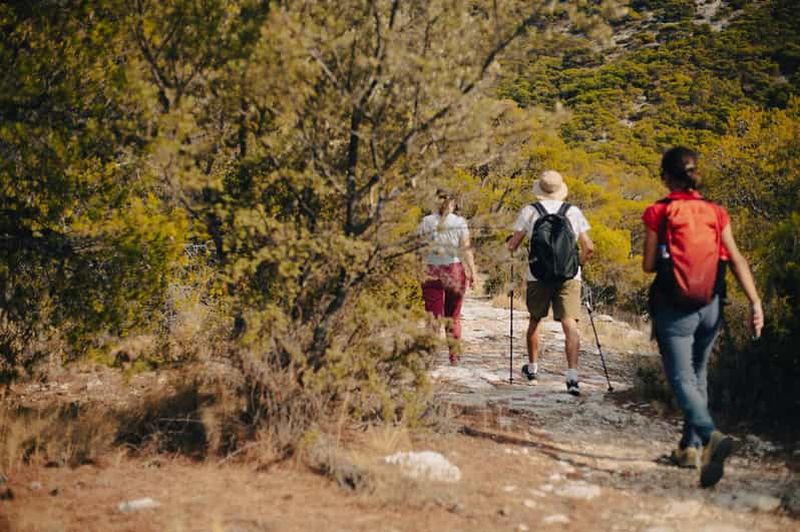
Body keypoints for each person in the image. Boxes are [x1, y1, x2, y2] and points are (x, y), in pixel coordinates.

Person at [642, 146, 764, 488]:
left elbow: (649, 265)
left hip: (673, 305)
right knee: (698, 374)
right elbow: (736, 258)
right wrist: (755, 301)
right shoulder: (716, 212)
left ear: (666, 177)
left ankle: (710, 438)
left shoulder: (659, 211)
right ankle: (689, 449)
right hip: (711, 305)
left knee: (681, 378)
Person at [507, 170, 594, 395]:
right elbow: (589, 247)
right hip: (569, 276)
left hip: (538, 275)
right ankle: (572, 376)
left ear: (540, 190)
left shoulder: (530, 210)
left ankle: (533, 370)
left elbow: (513, 245)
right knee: (569, 324)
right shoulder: (573, 212)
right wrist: (578, 265)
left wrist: (512, 242)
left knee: (535, 320)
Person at [417, 189, 476, 365]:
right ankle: (454, 356)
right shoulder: (460, 222)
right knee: (453, 316)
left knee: (433, 317)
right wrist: (472, 272)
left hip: (431, 270)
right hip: (454, 270)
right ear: (452, 203)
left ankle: (430, 356)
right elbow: (466, 249)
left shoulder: (426, 222)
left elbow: (419, 248)